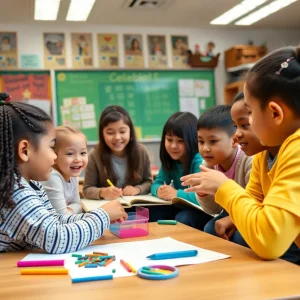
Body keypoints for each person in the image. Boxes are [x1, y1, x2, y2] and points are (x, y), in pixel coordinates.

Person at [181, 46, 300, 262]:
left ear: (275, 113)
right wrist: (232, 214)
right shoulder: (265, 156)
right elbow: (253, 202)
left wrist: (224, 186)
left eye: (250, 113)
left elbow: (269, 241)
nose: (238, 134)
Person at [0, 92, 127, 253]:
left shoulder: (32, 185)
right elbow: (57, 238)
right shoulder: (15, 192)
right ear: (25, 150)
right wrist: (102, 216)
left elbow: (57, 221)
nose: (54, 157)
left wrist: (101, 216)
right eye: (52, 147)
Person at [195, 105, 252, 239]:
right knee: (210, 229)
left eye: (213, 141)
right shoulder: (208, 165)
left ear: (234, 140)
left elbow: (256, 201)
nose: (205, 148)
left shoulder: (248, 160)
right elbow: (213, 210)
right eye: (201, 141)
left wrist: (233, 220)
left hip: (251, 212)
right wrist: (203, 195)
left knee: (240, 237)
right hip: (231, 211)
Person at [151, 112, 211, 229]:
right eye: (169, 140)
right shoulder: (171, 160)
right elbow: (156, 183)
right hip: (184, 206)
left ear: (192, 140)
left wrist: (176, 194)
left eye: (180, 141)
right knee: (154, 213)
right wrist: (159, 190)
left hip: (204, 211)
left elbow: (204, 197)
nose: (173, 146)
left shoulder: (199, 160)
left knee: (183, 218)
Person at [83, 105, 152, 200]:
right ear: (102, 134)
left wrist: (137, 189)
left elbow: (149, 182)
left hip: (136, 206)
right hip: (107, 208)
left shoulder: (141, 151)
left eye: (122, 131)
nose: (117, 137)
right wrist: (103, 192)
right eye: (110, 133)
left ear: (130, 132)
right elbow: (87, 189)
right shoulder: (94, 155)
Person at [42, 126, 87, 215]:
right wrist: (70, 210)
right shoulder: (52, 177)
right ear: (54, 156)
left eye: (83, 153)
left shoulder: (73, 176)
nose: (78, 159)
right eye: (70, 153)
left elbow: (78, 204)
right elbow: (62, 217)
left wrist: (69, 210)